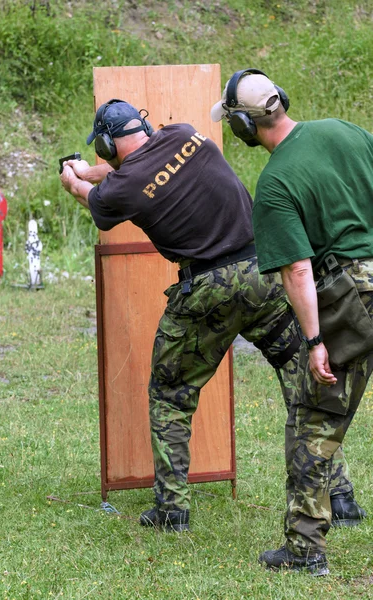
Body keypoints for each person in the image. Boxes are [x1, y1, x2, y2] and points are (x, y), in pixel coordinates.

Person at [60, 98, 362, 538]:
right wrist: (91, 171)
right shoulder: (184, 135)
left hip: (206, 290)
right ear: (143, 126)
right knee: (306, 385)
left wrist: (74, 178)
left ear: (106, 145)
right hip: (264, 275)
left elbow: (103, 196)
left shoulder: (123, 188)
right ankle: (340, 497)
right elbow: (135, 174)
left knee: (171, 393)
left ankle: (172, 508)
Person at [211, 68, 373, 575]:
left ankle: (305, 549)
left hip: (350, 296)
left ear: (243, 124)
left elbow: (298, 269)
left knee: (314, 421)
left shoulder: (276, 180)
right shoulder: (344, 131)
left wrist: (316, 340)